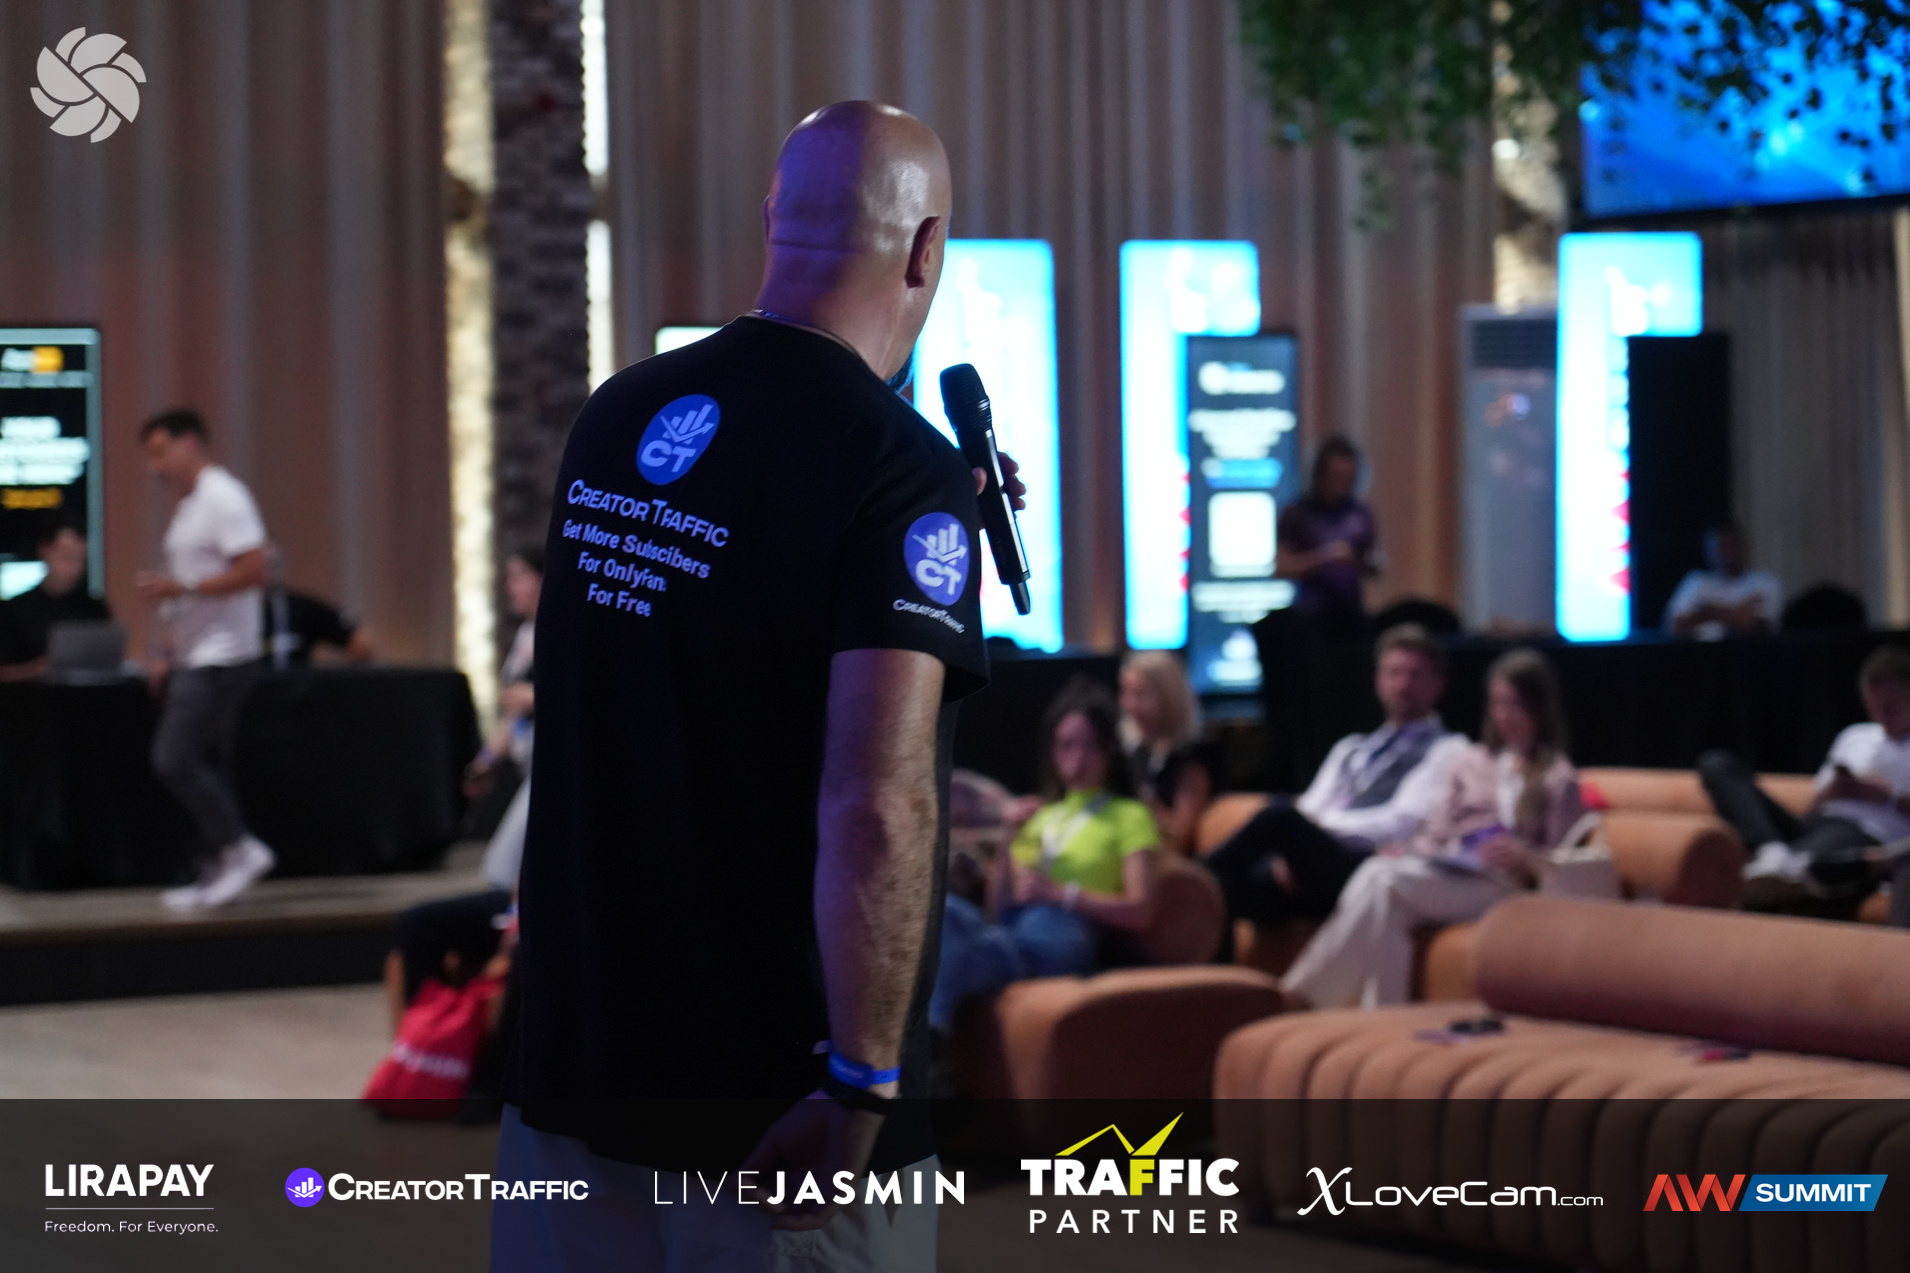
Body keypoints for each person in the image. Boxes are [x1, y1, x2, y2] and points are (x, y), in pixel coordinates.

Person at [494, 102, 1023, 1270]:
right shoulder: (895, 470)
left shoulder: (619, 414)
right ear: (925, 247)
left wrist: (929, 517)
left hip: (577, 1057)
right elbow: (875, 803)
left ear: (775, 216)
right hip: (771, 1101)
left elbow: (701, 633)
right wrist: (862, 1079)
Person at [1281, 648, 1583, 1009]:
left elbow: (1568, 862)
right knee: (1383, 889)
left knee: (1385, 882)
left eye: (1516, 705)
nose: (1505, 715)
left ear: (1540, 708)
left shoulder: (1558, 776)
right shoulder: (1472, 761)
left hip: (1504, 884)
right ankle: (1382, 1022)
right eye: (1498, 704)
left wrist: (1526, 857)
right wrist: (1409, 849)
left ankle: (1299, 997)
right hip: (1457, 870)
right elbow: (1436, 831)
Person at [929, 682, 1161, 1035]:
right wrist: (1008, 837)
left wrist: (1058, 893)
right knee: (939, 912)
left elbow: (1142, 911)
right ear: (1052, 750)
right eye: (1066, 746)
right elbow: (997, 908)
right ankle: (930, 1038)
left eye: (1090, 746)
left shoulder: (1129, 815)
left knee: (973, 950)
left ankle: (928, 1042)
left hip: (1066, 933)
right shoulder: (1041, 814)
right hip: (1011, 928)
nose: (1077, 760)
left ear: (1110, 750)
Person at [1203, 623, 1469, 924]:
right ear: (1378, 680)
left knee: (1280, 816)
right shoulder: (1352, 748)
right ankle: (1194, 890)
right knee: (1225, 889)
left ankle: (1189, 875)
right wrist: (1296, 850)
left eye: (1415, 675)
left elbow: (1401, 822)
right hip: (1317, 863)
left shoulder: (1449, 749)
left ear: (1438, 684)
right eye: (1394, 673)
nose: (1403, 685)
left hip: (1371, 861)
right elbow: (1310, 807)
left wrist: (1316, 833)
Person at [384, 546, 542, 1034]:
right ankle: (447, 1022)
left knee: (508, 876)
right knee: (502, 876)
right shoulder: (525, 637)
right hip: (528, 769)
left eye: (520, 576)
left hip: (551, 781)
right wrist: (487, 761)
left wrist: (538, 696)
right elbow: (515, 716)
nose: (511, 587)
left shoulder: (566, 631)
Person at [134, 409, 277, 912]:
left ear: (190, 443)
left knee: (173, 757)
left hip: (224, 655)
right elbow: (186, 591)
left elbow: (255, 569)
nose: (155, 467)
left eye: (160, 453)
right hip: (197, 652)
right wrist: (166, 650)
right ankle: (219, 867)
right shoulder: (190, 506)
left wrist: (185, 587)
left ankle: (240, 849)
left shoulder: (224, 497)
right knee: (207, 762)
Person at [1699, 645, 1910, 922]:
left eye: (1890, 709)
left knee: (1777, 883)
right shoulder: (1855, 735)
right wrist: (1832, 791)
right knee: (1716, 765)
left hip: (1868, 835)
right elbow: (1812, 809)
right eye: (1872, 710)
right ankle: (1772, 850)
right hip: (1815, 826)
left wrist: (1888, 795)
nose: (1880, 719)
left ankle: (1783, 869)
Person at [1118, 650, 1213, 853]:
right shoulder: (1128, 750)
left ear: (1169, 697)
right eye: (1126, 693)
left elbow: (1182, 836)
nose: (1130, 705)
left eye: (1141, 694)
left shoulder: (1189, 756)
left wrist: (1141, 803)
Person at [1276, 436, 1377, 624]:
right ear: (1320, 475)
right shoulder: (1297, 514)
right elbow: (1281, 567)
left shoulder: (1360, 514)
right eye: (1337, 477)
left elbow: (1375, 564)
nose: (1342, 484)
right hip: (1311, 616)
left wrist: (1356, 560)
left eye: (1348, 478)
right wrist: (1324, 558)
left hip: (1353, 615)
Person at [0, 524, 110, 680]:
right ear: (44, 551)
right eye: (66, 557)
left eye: (81, 560)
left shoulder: (95, 609)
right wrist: (37, 669)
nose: (74, 568)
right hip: (31, 693)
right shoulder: (13, 611)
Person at [261, 544, 374, 666]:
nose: (268, 573)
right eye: (262, 565)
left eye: (273, 565)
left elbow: (361, 642)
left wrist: (328, 671)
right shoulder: (246, 611)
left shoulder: (301, 607)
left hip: (295, 676)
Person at [1665, 523, 1782, 639]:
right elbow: (1674, 625)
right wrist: (1739, 611)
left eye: (1729, 545)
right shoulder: (1696, 581)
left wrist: (1705, 610)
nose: (1724, 552)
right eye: (1718, 547)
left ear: (1742, 547)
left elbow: (1758, 627)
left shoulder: (1764, 583)